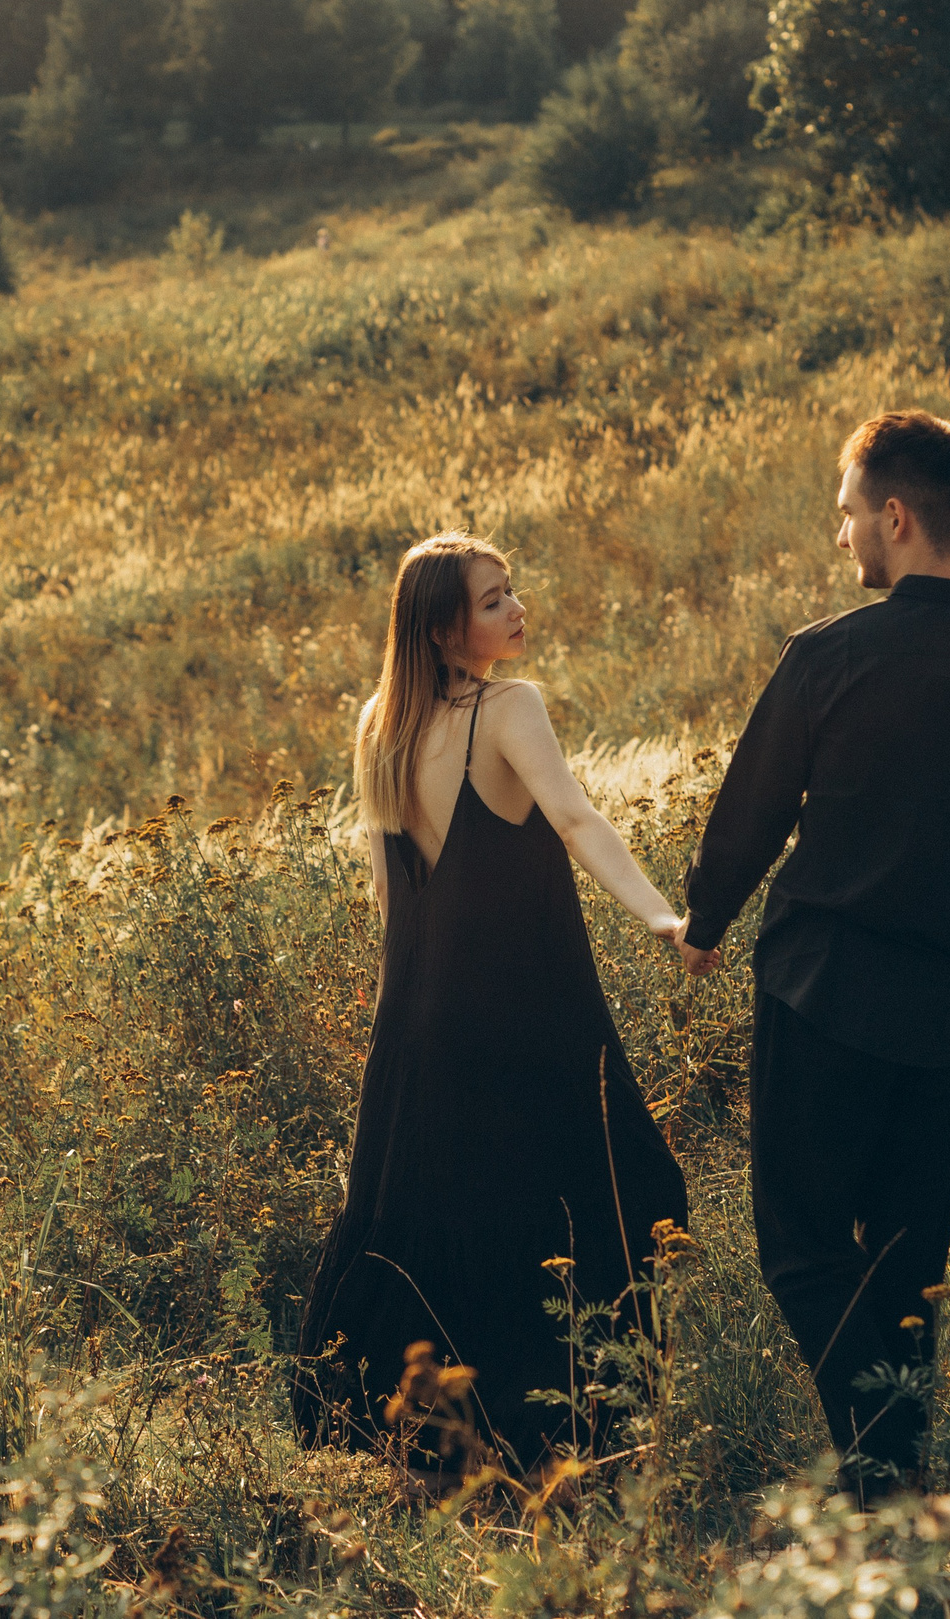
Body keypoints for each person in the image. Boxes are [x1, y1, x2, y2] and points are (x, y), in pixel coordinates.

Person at [676, 411, 950, 1499]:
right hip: (939, 1020)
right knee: (908, 1270)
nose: (842, 542)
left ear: (896, 515)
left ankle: (879, 1469)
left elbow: (749, 816)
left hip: (815, 993)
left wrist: (705, 923)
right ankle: (901, 1490)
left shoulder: (829, 656)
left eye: (846, 517)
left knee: (802, 1247)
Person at [295, 532, 691, 1473]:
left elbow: (390, 896)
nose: (517, 610)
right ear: (441, 630)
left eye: (512, 591)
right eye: (492, 600)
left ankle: (430, 1434)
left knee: (445, 1221)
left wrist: (393, 1047)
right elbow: (577, 816)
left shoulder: (378, 724)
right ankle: (569, 1425)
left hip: (420, 1022)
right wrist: (662, 918)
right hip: (524, 1013)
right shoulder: (511, 706)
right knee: (622, 1189)